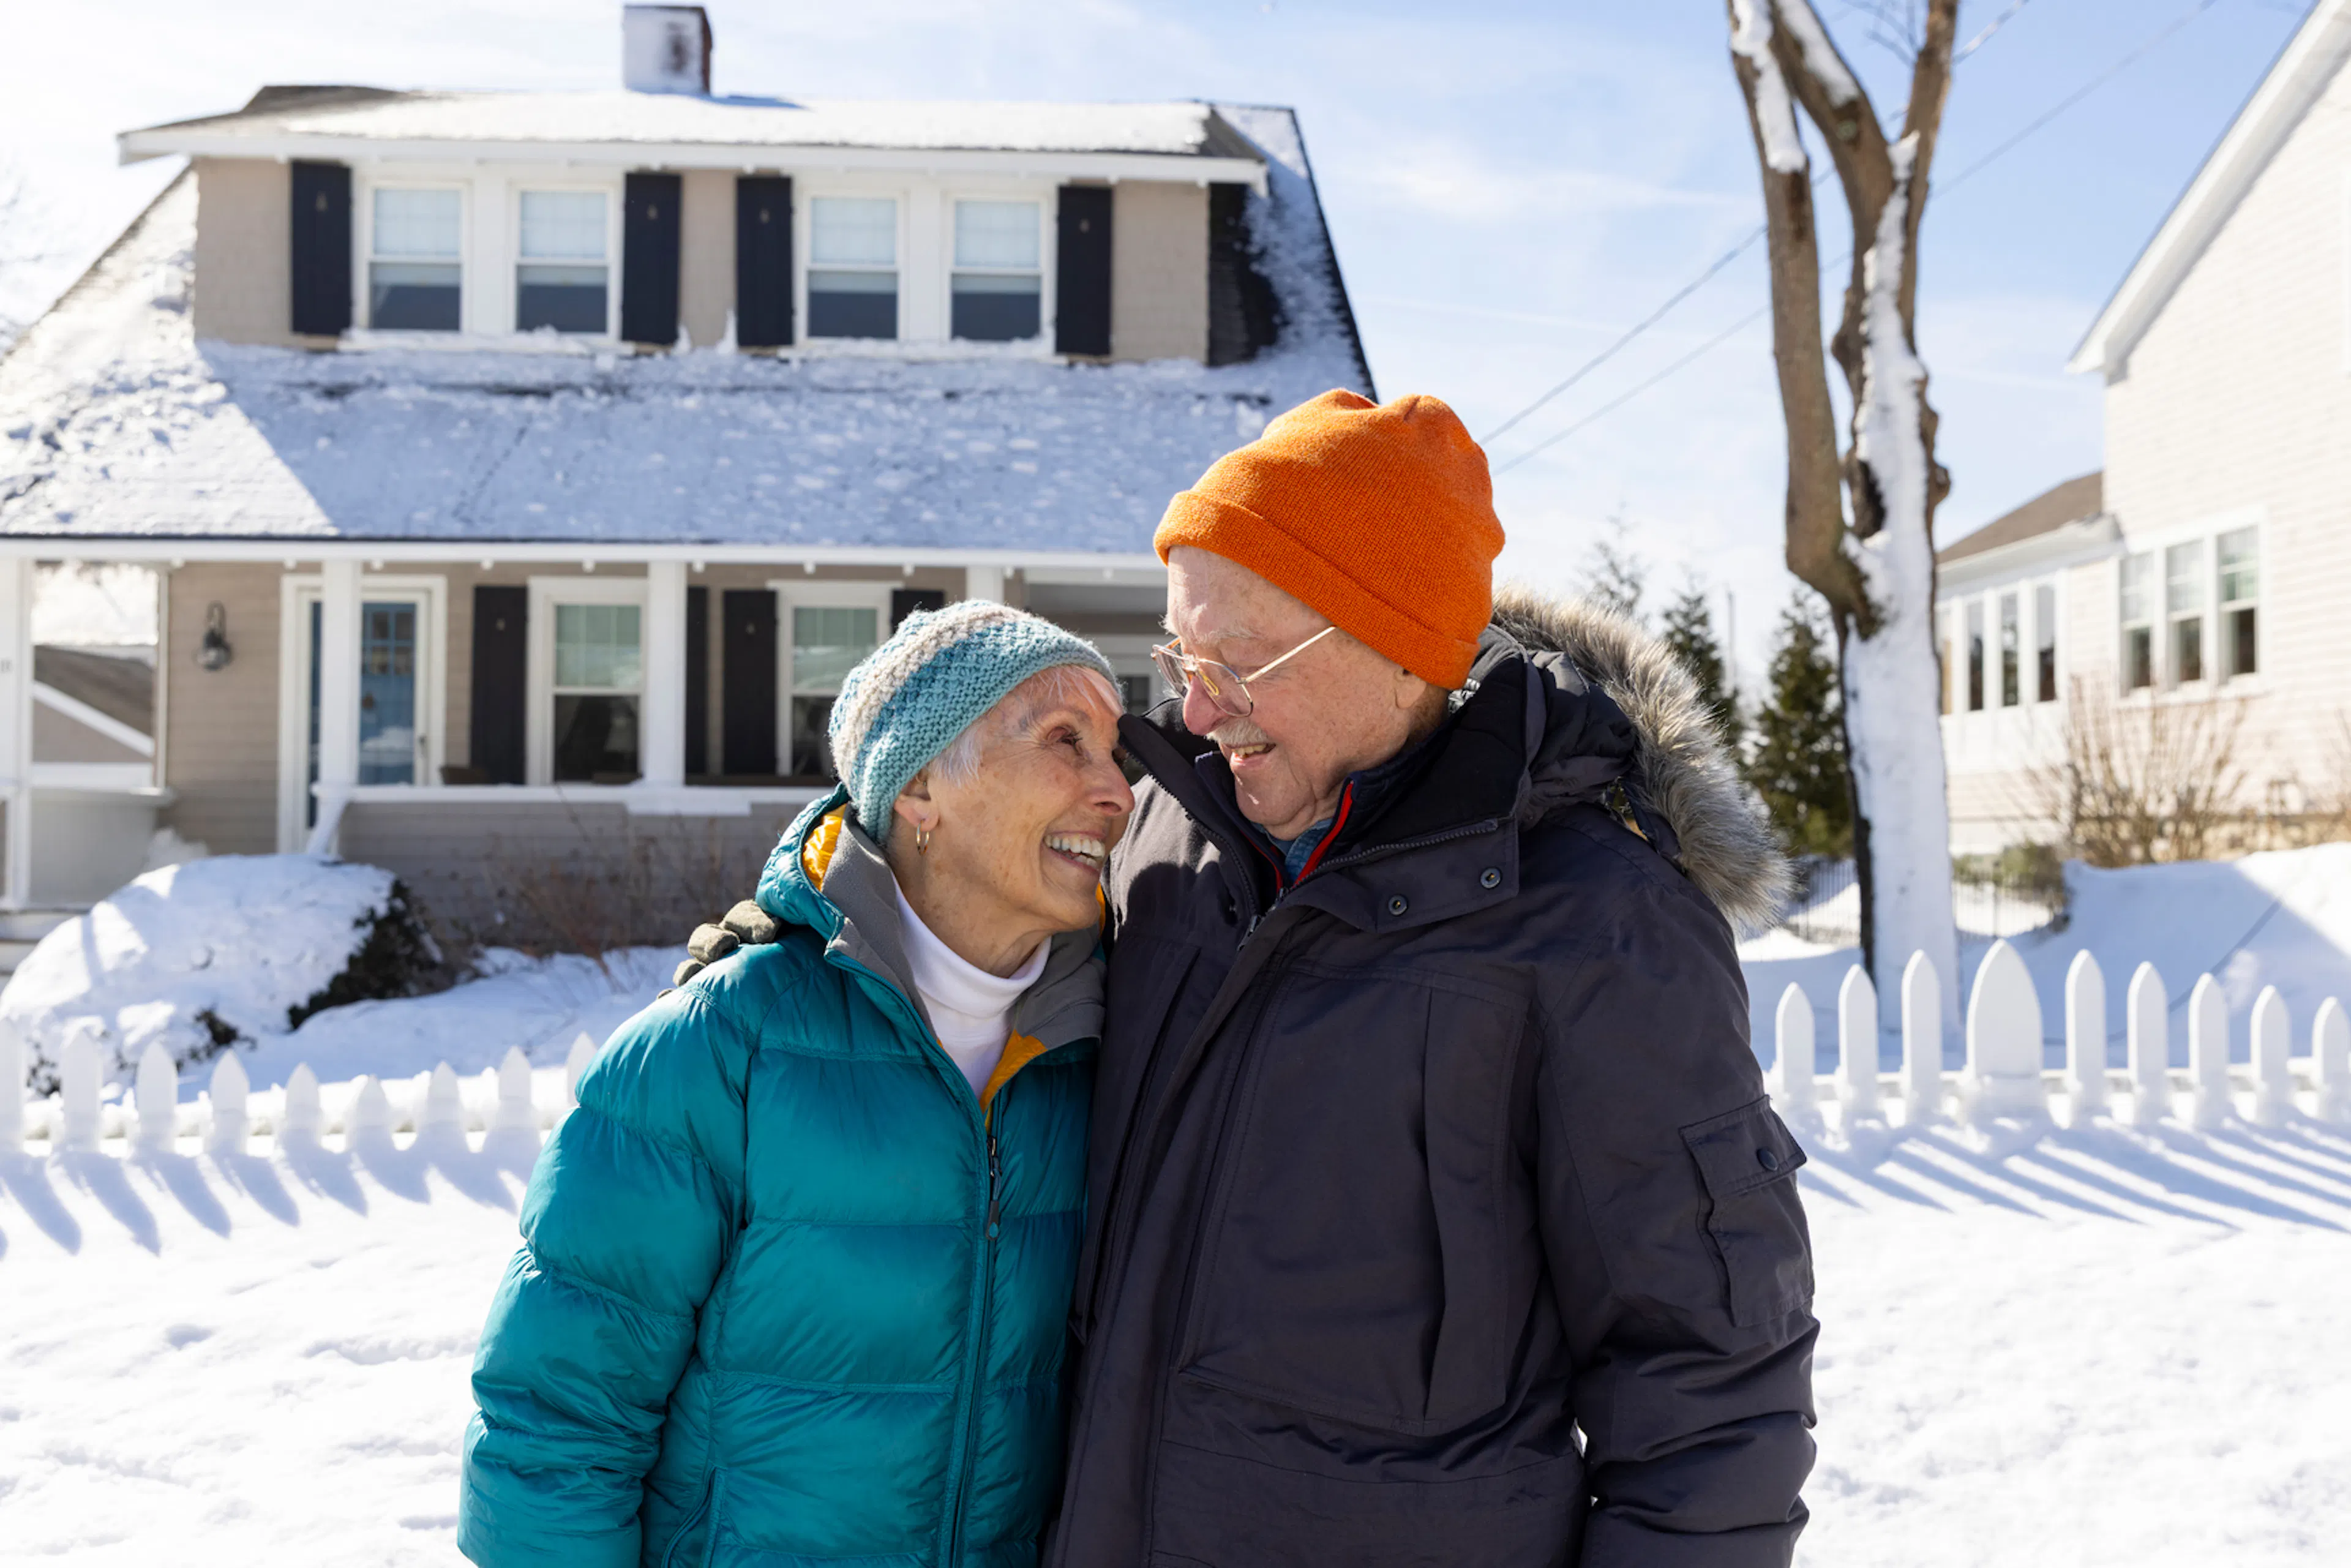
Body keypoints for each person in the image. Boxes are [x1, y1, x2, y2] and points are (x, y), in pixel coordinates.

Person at [686, 390, 1819, 1565]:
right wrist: (815, 932)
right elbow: (963, 899)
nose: (1193, 705)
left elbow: (1714, 1384)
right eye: (1180, 653)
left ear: (1394, 646)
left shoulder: (1601, 923)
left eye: (1239, 661)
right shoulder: (1162, 835)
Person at [457, 602, 1134, 1568]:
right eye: (1067, 741)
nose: (1117, 791)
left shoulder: (1107, 1052)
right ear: (921, 787)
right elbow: (558, 1417)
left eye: (1116, 752)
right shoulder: (723, 1048)